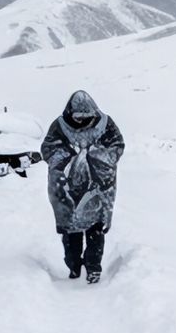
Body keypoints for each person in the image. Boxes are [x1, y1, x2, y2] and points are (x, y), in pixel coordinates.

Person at [40, 90, 126, 282]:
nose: (82, 121)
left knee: (95, 227)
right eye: (78, 118)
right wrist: (68, 158)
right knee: (71, 230)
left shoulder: (105, 124)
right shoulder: (60, 126)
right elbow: (48, 149)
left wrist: (96, 155)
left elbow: (117, 145)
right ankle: (74, 266)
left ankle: (94, 267)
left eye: (86, 117)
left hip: (98, 185)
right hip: (68, 188)